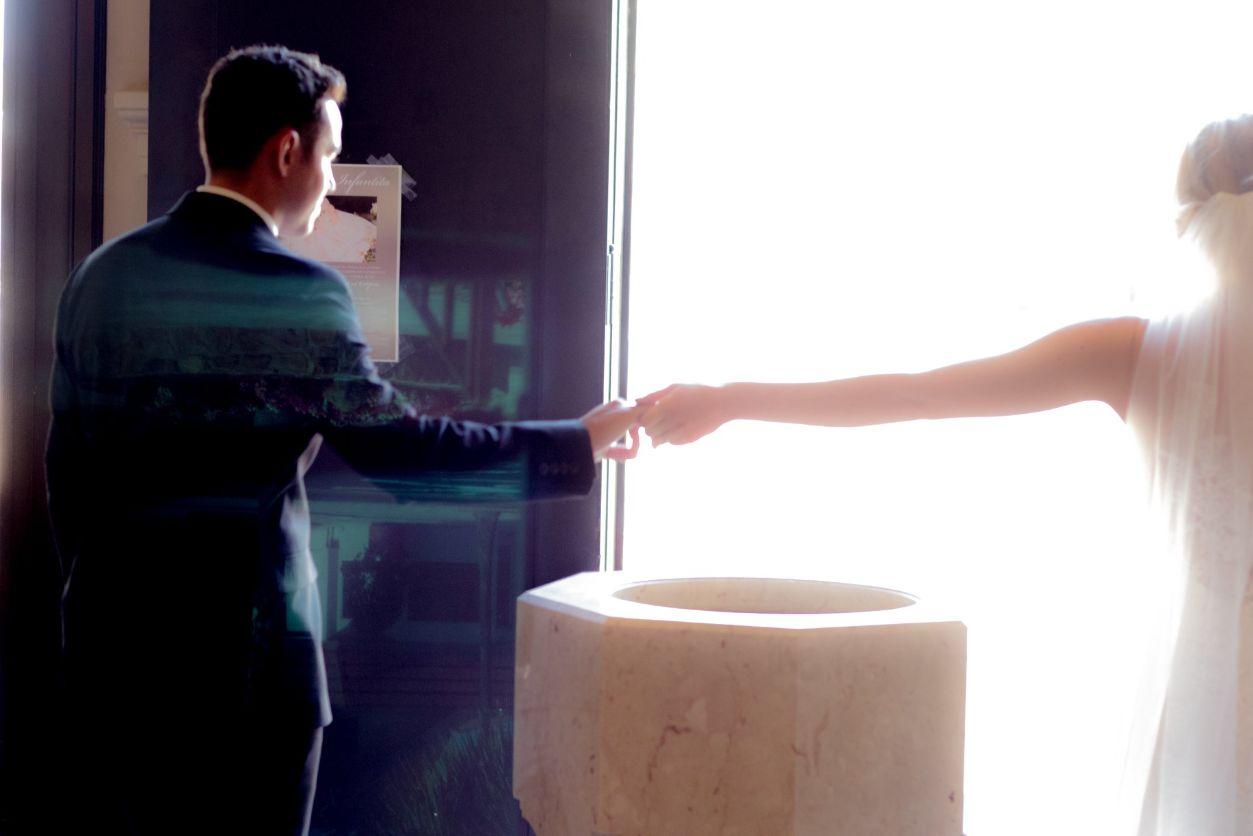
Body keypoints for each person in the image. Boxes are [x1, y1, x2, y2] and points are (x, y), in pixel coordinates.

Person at [46, 45, 643, 836]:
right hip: (253, 676)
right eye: (327, 157)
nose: (330, 183)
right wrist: (577, 442)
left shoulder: (100, 276)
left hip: (113, 667)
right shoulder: (299, 293)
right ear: (285, 151)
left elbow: (68, 473)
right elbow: (405, 456)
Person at [640, 115, 1253, 833]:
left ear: (1191, 222)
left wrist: (729, 400)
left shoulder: (1132, 355)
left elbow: (916, 395)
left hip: (1208, 702)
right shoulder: (1139, 354)